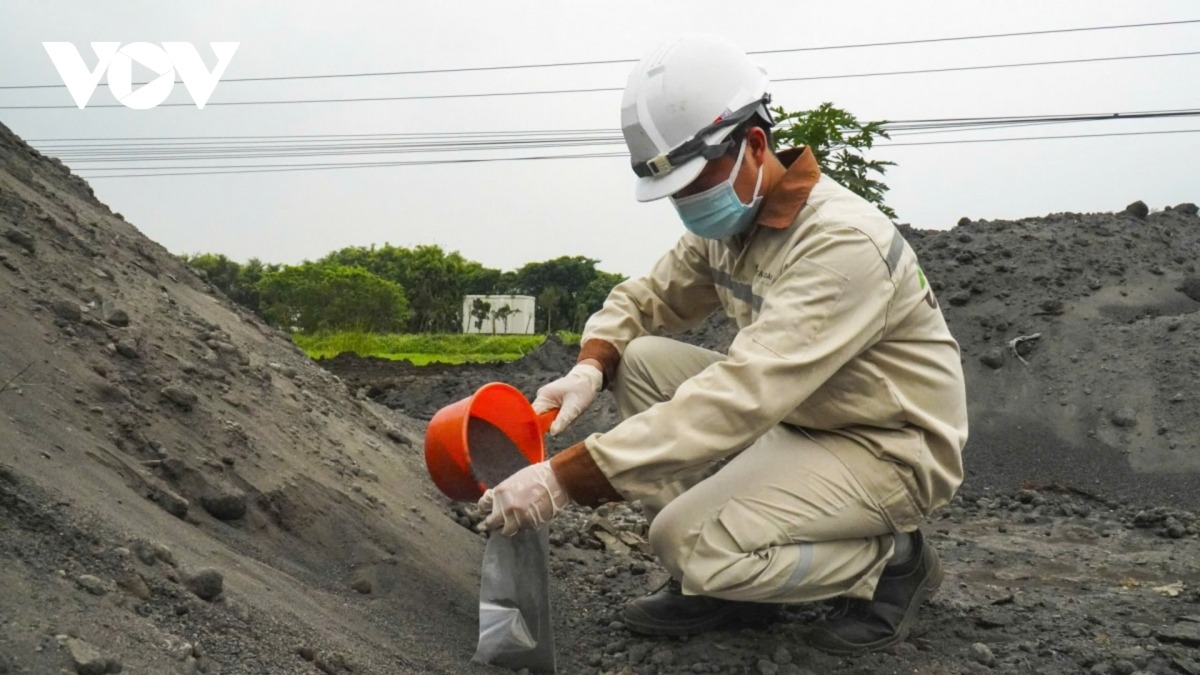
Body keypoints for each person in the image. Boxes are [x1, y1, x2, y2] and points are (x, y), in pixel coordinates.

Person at [477, 33, 968, 654]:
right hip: (808, 416)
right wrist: (591, 367)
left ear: (753, 145)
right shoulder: (734, 225)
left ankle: (890, 562)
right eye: (674, 189)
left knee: (684, 542)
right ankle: (728, 583)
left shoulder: (841, 244)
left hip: (888, 446)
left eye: (692, 181)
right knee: (642, 362)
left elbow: (744, 393)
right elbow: (646, 298)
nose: (685, 202)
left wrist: (567, 477)